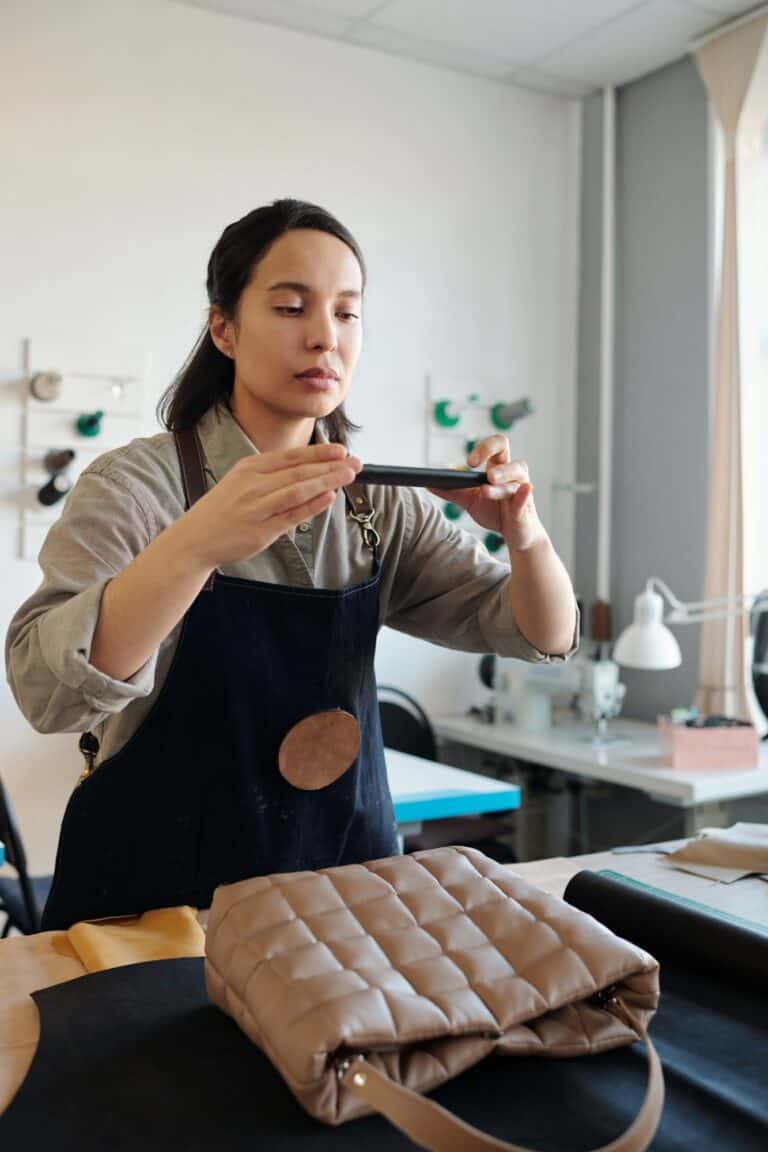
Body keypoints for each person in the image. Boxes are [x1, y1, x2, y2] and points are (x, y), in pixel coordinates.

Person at [5, 199, 579, 930]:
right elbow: (45, 693)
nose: (323, 337)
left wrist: (524, 535)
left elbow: (541, 633)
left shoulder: (375, 502)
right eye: (290, 307)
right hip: (157, 918)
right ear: (224, 328)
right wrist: (196, 542)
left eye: (347, 313)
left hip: (343, 904)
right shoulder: (135, 487)